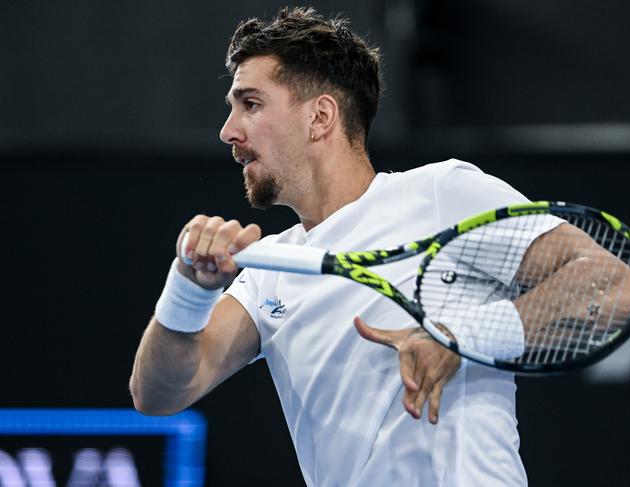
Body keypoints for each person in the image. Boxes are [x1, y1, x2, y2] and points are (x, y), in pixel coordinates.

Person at [130, 7, 570, 485]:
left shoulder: (443, 194)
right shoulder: (270, 268)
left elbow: (619, 287)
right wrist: (189, 289)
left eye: (250, 104)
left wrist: (466, 338)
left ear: (320, 117)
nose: (228, 130)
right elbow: (157, 395)